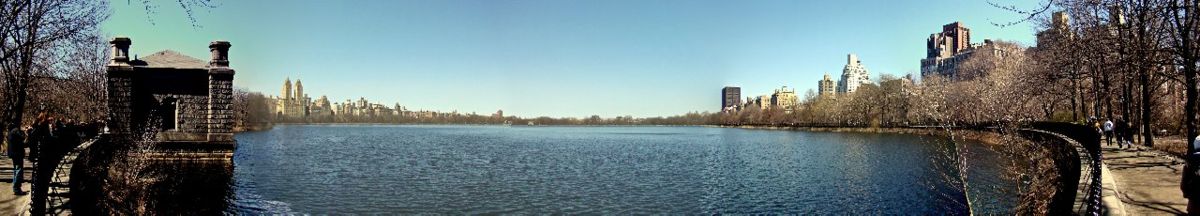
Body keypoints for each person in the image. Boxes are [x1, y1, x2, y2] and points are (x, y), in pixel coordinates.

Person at [5, 125, 25, 195]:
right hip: (17, 153)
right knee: (18, 170)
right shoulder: (16, 131)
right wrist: (23, 132)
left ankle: (15, 187)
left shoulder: (10, 131)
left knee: (16, 170)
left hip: (14, 153)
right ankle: (16, 188)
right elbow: (22, 138)